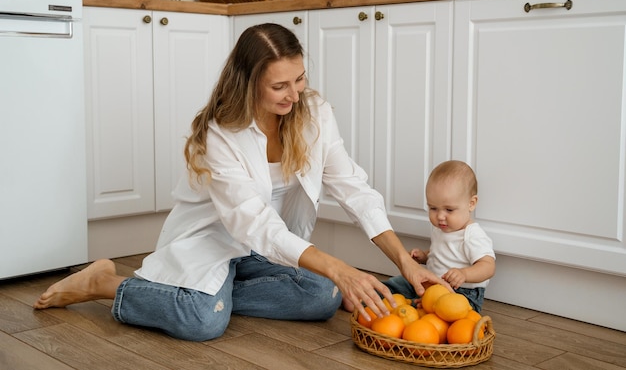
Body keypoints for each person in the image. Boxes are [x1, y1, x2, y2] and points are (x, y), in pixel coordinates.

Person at [34, 23, 448, 341]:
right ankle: (106, 282)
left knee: (324, 296)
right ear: (249, 83)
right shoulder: (221, 132)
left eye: (300, 79)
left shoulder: (314, 112)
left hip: (263, 251)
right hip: (211, 241)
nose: (296, 95)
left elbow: (352, 187)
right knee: (201, 323)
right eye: (279, 86)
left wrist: (404, 262)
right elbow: (252, 222)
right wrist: (338, 268)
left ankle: (218, 298)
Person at [384, 160, 495, 312]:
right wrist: (424, 256)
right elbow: (439, 251)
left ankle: (416, 308)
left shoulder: (472, 235)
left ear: (471, 203)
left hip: (460, 292)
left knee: (444, 312)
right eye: (433, 208)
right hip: (430, 283)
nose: (440, 216)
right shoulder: (441, 228)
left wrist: (464, 274)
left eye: (449, 210)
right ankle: (371, 297)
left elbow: (488, 267)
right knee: (399, 283)